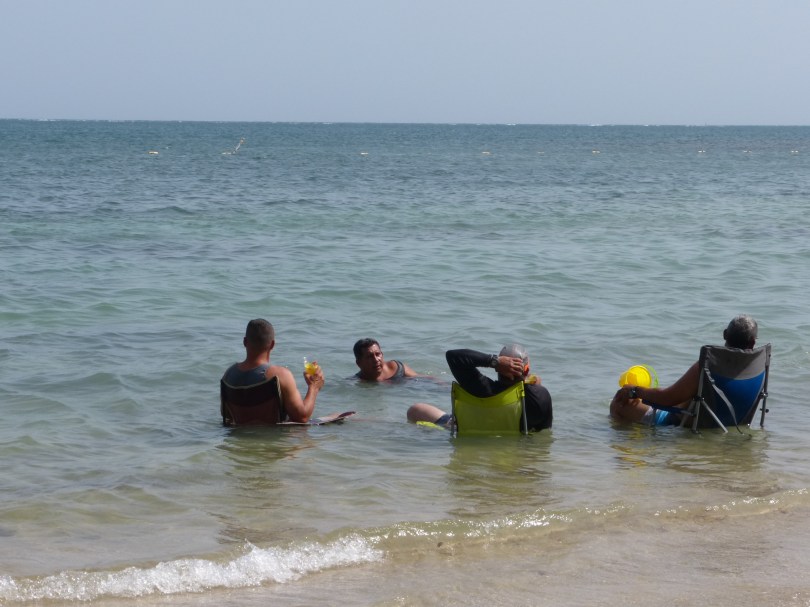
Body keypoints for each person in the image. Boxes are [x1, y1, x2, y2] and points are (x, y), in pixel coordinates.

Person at [609, 314, 759, 426]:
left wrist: (633, 390)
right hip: (729, 423)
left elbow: (667, 398)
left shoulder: (709, 366)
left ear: (725, 334)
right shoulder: (759, 365)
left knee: (618, 403)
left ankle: (627, 447)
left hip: (686, 422)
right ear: (753, 342)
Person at [407, 344, 553, 432]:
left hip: (468, 430)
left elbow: (453, 356)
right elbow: (544, 431)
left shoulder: (481, 388)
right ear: (526, 370)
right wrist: (534, 387)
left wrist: (493, 361)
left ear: (499, 369)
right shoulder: (539, 396)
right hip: (512, 439)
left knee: (415, 410)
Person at [222, 319, 324, 423]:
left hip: (240, 436)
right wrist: (313, 387)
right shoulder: (281, 375)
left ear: (245, 342)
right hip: (273, 437)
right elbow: (302, 417)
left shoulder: (228, 375)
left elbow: (226, 415)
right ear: (272, 345)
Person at [353, 338, 420, 381]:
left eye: (378, 354)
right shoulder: (359, 381)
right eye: (370, 357)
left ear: (382, 354)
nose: (376, 360)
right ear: (359, 363)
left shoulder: (396, 368)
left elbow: (421, 379)